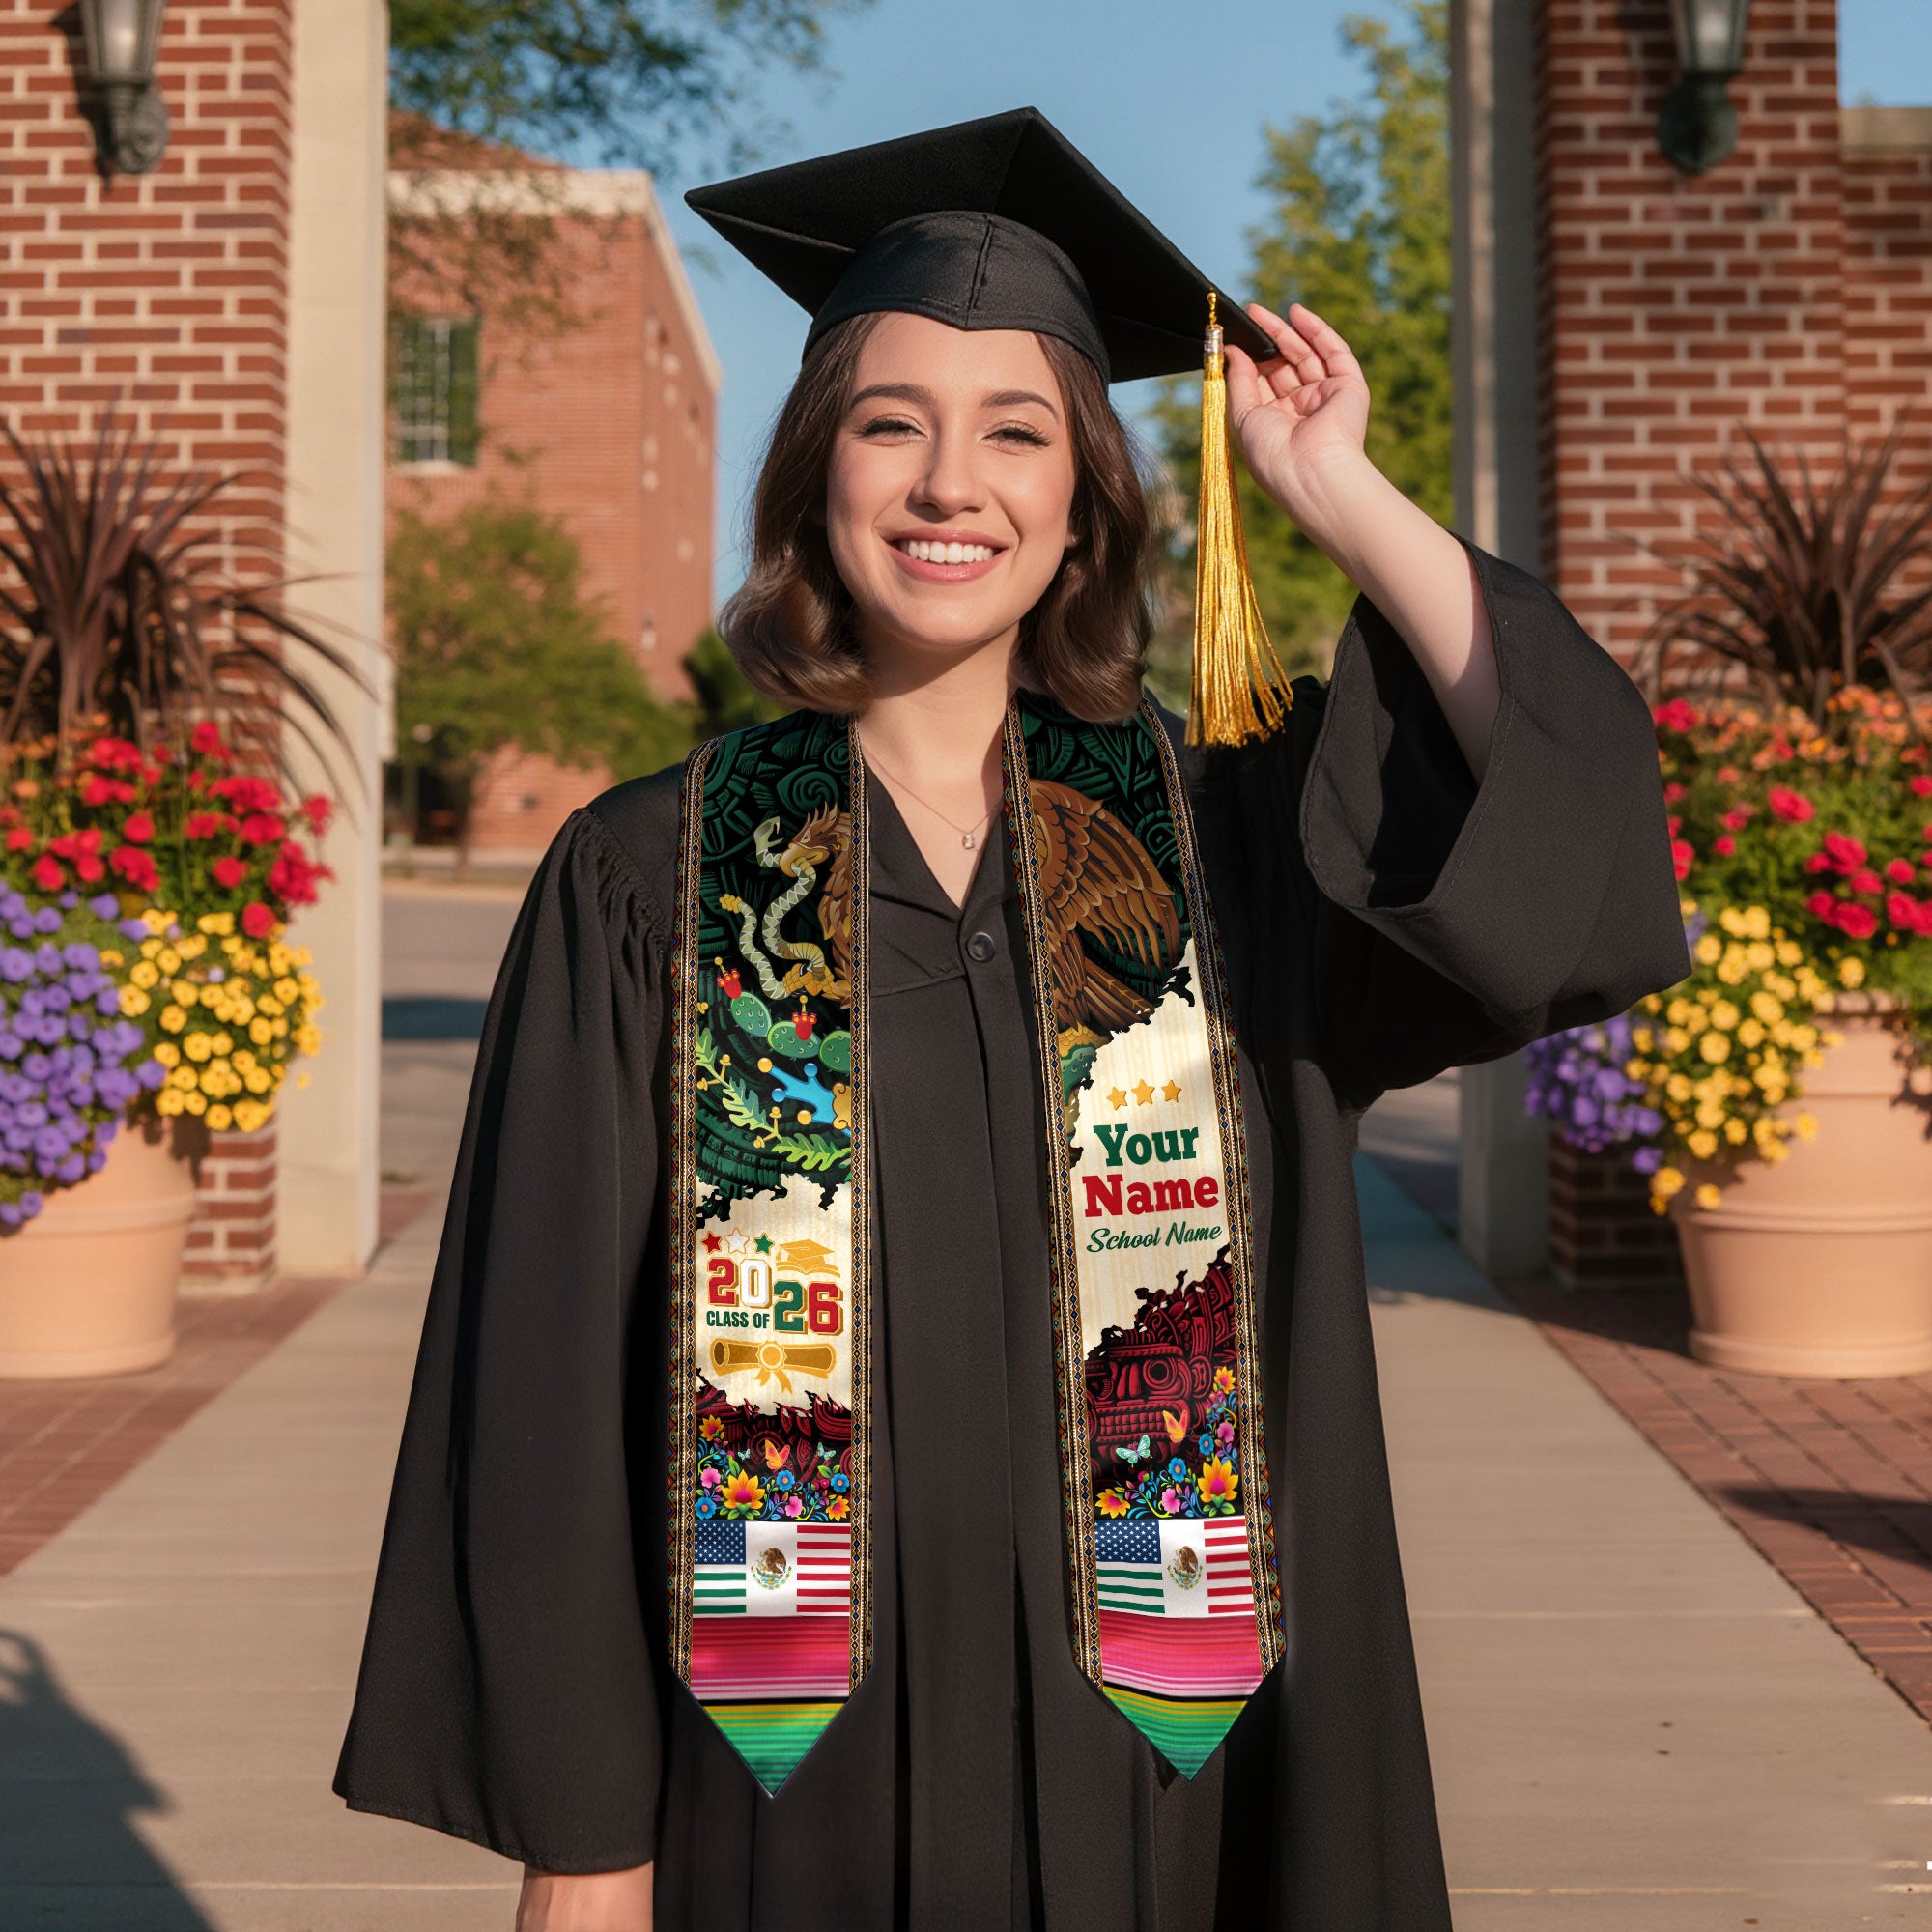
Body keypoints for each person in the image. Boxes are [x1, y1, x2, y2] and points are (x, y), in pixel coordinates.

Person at [332, 109, 1690, 1932]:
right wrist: (585, 1847)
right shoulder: (654, 878)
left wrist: (1336, 491)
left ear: (1082, 504)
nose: (948, 483)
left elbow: (1559, 837)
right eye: (892, 424)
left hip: (1181, 1788)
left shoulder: (1229, 860)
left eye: (1016, 432)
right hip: (778, 1789)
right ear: (818, 472)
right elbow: (545, 1393)